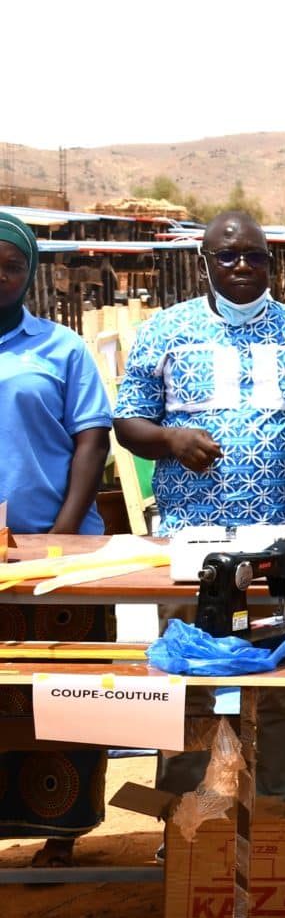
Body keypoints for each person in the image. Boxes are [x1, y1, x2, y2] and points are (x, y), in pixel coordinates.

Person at [114, 211, 285, 799]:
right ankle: (184, 816)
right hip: (192, 535)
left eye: (254, 255)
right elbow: (128, 421)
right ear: (205, 261)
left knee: (283, 675)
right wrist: (169, 439)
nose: (241, 266)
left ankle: (276, 805)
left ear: (271, 262)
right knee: (188, 676)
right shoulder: (166, 330)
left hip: (283, 535)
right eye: (227, 256)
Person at [0, 214, 114, 865]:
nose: (0, 275)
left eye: (11, 265)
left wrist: (62, 539)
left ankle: (61, 831)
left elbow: (91, 442)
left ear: (30, 273)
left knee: (65, 691)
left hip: (55, 549)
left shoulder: (61, 349)